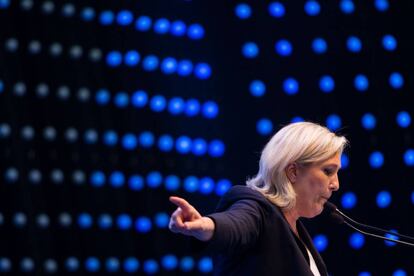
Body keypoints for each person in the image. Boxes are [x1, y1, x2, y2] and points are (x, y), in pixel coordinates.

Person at [169, 122, 348, 276]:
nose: (336, 184)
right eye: (328, 171)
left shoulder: (295, 230)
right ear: (293, 172)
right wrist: (206, 225)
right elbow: (236, 224)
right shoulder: (256, 207)